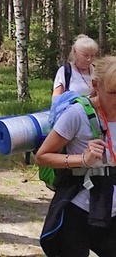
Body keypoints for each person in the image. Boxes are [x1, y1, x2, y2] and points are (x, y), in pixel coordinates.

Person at [36, 56, 116, 257]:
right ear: (96, 86)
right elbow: (43, 156)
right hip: (77, 209)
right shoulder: (77, 114)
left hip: (111, 209)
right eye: (113, 92)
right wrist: (82, 159)